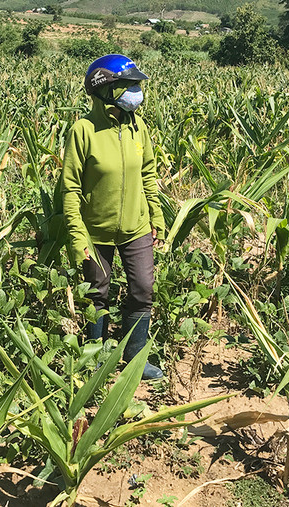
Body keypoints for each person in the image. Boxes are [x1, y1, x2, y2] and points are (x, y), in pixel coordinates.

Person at [61, 54, 167, 380]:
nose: (136, 91)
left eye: (136, 84)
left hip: (136, 226)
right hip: (95, 230)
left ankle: (135, 357)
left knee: (143, 288)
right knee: (97, 291)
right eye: (128, 85)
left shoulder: (139, 127)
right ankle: (95, 359)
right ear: (106, 90)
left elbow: (148, 175)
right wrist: (79, 240)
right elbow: (69, 190)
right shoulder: (84, 130)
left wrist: (156, 217)